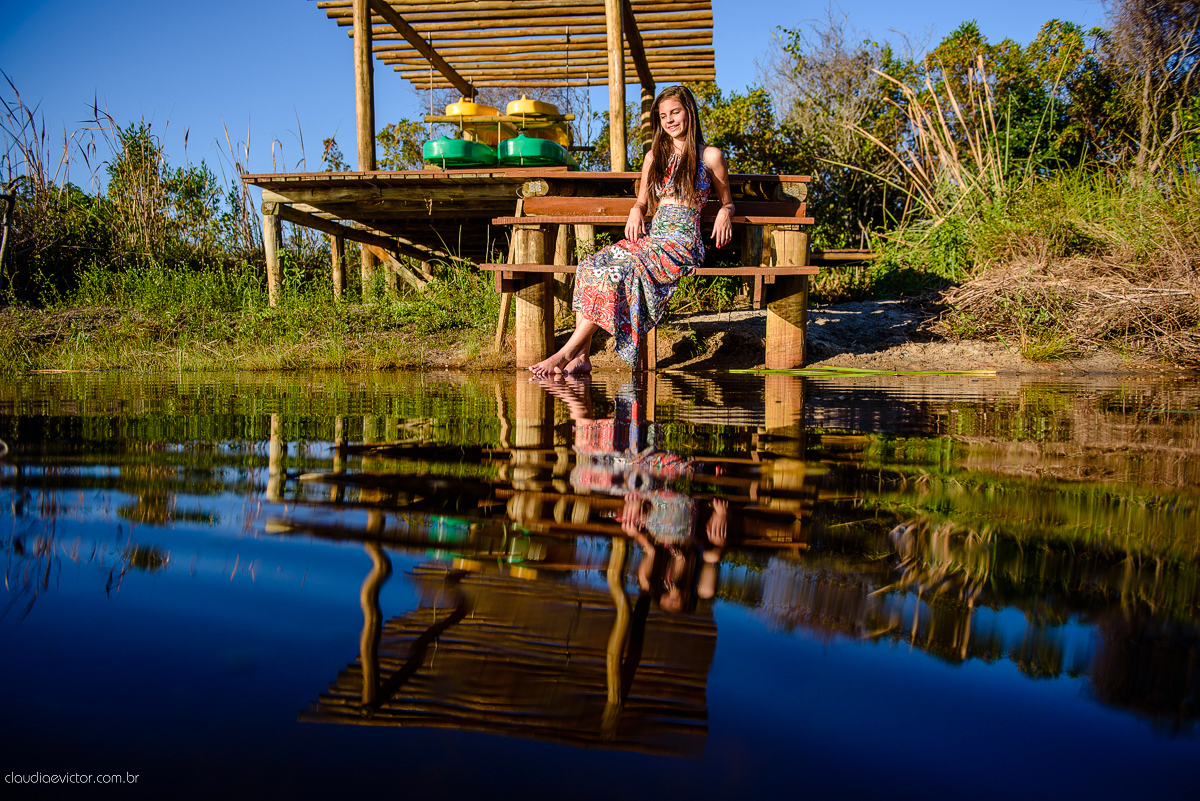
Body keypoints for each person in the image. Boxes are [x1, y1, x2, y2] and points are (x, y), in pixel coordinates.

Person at [528, 85, 735, 376]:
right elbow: (641, 201)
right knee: (590, 266)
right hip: (653, 235)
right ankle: (582, 357)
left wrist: (725, 212)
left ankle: (565, 351)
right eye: (663, 116)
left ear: (690, 112)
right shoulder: (655, 156)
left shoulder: (710, 155)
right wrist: (636, 210)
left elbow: (727, 201)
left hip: (680, 243)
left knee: (624, 271)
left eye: (675, 112)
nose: (669, 120)